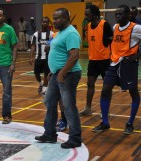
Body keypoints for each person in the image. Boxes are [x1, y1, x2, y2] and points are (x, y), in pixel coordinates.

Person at [34, 8, 82, 149]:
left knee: (69, 106)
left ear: (66, 17)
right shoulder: (60, 33)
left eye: (57, 18)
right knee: (49, 101)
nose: (54, 21)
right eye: (53, 18)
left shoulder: (71, 33)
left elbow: (74, 56)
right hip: (57, 74)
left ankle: (75, 138)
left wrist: (62, 73)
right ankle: (49, 133)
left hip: (68, 75)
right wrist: (54, 72)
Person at [92, 4, 141, 135]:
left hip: (128, 64)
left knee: (133, 92)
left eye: (120, 14)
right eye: (116, 14)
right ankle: (105, 122)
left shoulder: (136, 28)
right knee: (105, 90)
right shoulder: (115, 27)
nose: (117, 16)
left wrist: (137, 55)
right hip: (114, 64)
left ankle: (130, 123)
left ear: (128, 15)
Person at [79, 5, 113, 116]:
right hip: (93, 60)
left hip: (105, 60)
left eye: (87, 14)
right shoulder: (88, 26)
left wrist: (112, 57)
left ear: (94, 14)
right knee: (90, 84)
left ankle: (105, 111)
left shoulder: (105, 24)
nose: (85, 16)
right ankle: (88, 108)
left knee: (106, 87)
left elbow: (112, 41)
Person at [30, 16, 53, 96]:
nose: (45, 23)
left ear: (48, 23)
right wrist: (31, 57)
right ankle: (41, 83)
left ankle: (44, 90)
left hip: (47, 58)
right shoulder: (36, 34)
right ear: (41, 22)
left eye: (47, 22)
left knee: (46, 74)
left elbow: (53, 45)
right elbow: (33, 46)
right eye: (44, 22)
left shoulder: (51, 34)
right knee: (36, 73)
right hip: (38, 57)